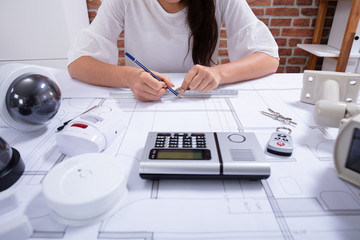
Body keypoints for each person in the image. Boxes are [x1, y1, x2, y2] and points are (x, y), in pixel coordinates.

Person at [68, 0, 279, 101]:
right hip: (143, 104)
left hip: (199, 102)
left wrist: (218, 73)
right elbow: (78, 63)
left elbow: (268, 57)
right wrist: (130, 77)